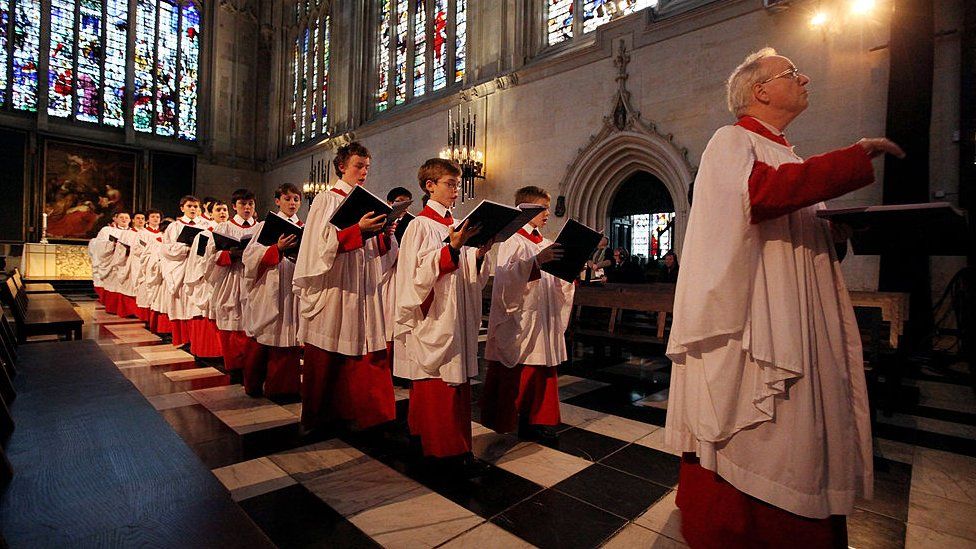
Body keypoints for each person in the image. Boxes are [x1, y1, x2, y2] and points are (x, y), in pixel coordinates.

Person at [664, 48, 905, 547]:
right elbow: (761, 197)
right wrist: (855, 157)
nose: (806, 78)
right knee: (765, 422)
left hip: (796, 307)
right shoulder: (730, 141)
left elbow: (788, 213)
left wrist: (831, 235)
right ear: (761, 91)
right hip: (757, 315)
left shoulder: (788, 153)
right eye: (792, 74)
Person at [392, 158, 493, 469]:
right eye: (450, 184)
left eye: (457, 184)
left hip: (455, 317)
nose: (455, 190)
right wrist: (450, 250)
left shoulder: (455, 226)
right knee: (438, 385)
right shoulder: (419, 226)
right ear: (429, 186)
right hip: (435, 318)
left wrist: (478, 255)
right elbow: (415, 275)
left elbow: (465, 274)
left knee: (454, 386)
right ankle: (446, 453)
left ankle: (453, 446)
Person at [293, 142, 398, 433]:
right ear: (341, 166)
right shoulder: (326, 200)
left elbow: (378, 254)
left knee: (365, 351)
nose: (364, 172)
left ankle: (365, 415)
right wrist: (357, 231)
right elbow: (316, 247)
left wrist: (384, 235)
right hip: (335, 286)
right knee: (327, 353)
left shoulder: (367, 201)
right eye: (358, 166)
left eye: (367, 167)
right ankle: (319, 418)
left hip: (363, 286)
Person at [481, 185, 574, 440]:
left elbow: (554, 281)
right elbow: (505, 278)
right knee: (523, 372)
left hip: (543, 316)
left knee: (541, 370)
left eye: (547, 208)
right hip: (522, 318)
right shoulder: (512, 240)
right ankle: (522, 420)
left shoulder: (545, 242)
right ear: (526, 209)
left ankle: (536, 421)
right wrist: (536, 262)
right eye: (542, 208)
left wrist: (568, 274)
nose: (547, 214)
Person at [239, 184, 304, 401]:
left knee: (290, 338)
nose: (292, 203)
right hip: (270, 289)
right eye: (287, 198)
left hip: (294, 289)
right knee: (265, 335)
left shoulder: (306, 227)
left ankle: (284, 388)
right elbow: (249, 258)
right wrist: (276, 248)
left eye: (296, 199)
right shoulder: (264, 226)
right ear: (277, 201)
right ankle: (255, 385)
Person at [210, 189, 260, 370]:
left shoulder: (260, 227)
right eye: (242, 204)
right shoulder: (224, 227)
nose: (247, 208)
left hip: (254, 277)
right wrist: (230, 253)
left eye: (250, 204)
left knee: (253, 319)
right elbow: (211, 256)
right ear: (234, 206)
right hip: (231, 276)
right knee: (231, 316)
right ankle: (233, 365)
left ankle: (251, 365)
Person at [159, 196, 215, 347]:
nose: (193, 209)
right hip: (180, 268)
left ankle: (197, 340)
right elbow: (167, 249)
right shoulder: (174, 227)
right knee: (180, 302)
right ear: (182, 208)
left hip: (198, 268)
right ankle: (183, 338)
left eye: (196, 206)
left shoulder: (206, 225)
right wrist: (187, 248)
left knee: (195, 304)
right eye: (189, 206)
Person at [135, 210, 163, 323]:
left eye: (158, 217)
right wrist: (151, 253)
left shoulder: (163, 233)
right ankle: (146, 318)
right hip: (146, 265)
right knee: (145, 289)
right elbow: (137, 249)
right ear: (147, 219)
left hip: (158, 265)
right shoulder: (142, 233)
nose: (155, 219)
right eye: (153, 217)